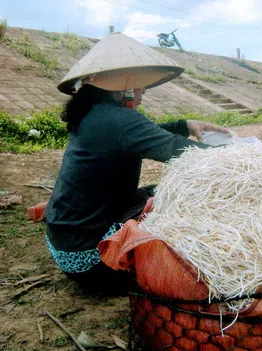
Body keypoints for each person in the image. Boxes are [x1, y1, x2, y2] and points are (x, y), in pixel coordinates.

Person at [44, 32, 228, 290]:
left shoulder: (95, 114)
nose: (143, 92)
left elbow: (145, 135)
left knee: (159, 194)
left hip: (66, 248)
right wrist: (237, 156)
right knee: (179, 201)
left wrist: (186, 125)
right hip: (93, 260)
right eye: (140, 84)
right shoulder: (118, 121)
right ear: (125, 85)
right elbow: (176, 149)